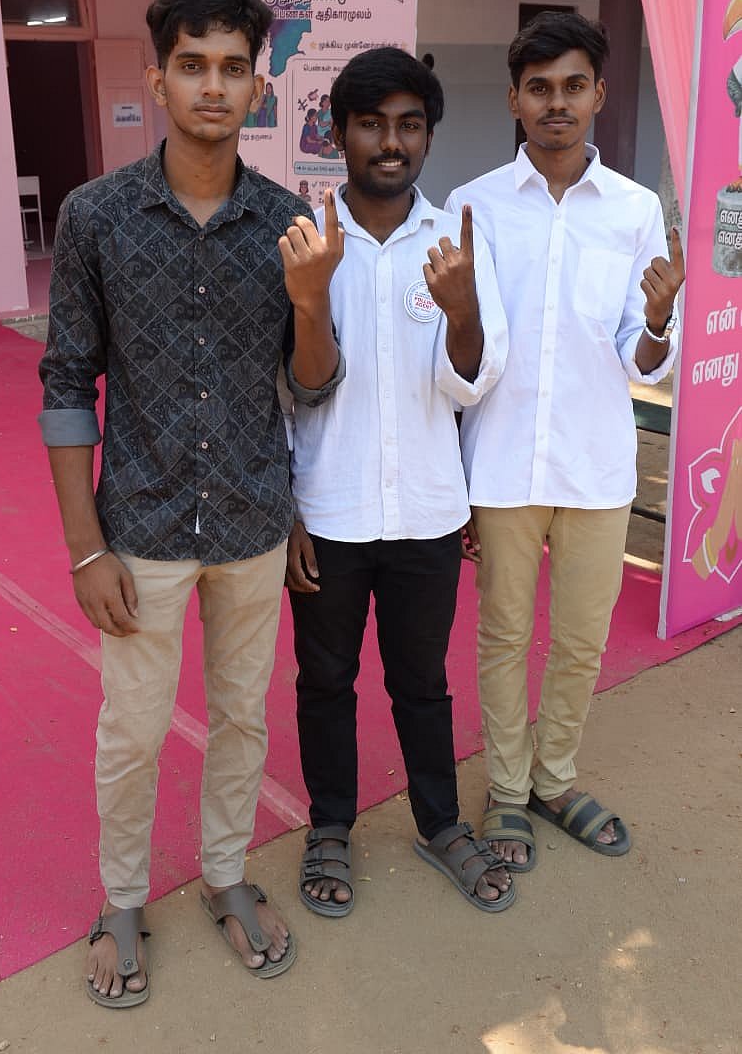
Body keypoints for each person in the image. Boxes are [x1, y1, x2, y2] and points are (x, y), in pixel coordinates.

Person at [38, 0, 344, 1005]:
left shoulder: (288, 222)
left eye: (232, 68)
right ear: (156, 76)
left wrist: (311, 301)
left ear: (260, 86)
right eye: (192, 65)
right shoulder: (95, 217)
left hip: (252, 520)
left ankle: (224, 874)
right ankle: (123, 898)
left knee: (243, 717)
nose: (213, 85)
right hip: (142, 527)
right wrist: (85, 546)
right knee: (132, 728)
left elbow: (310, 385)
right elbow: (65, 382)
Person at [446, 11, 685, 871]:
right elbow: (460, 347)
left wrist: (657, 321)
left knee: (582, 641)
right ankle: (509, 792)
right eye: (539, 88)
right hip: (502, 463)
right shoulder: (472, 206)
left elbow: (638, 353)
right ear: (514, 99)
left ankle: (554, 780)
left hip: (595, 466)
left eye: (573, 86)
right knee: (504, 637)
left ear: (599, 95)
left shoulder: (633, 210)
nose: (557, 103)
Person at [286, 47, 514, 916]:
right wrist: (285, 509)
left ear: (428, 135)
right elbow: (281, 390)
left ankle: (440, 824)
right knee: (325, 682)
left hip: (426, 512)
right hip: (328, 511)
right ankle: (329, 827)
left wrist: (462, 310)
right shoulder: (306, 243)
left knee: (422, 682)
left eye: (409, 125)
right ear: (338, 133)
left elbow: (474, 381)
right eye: (372, 124)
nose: (391, 142)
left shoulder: (456, 243)